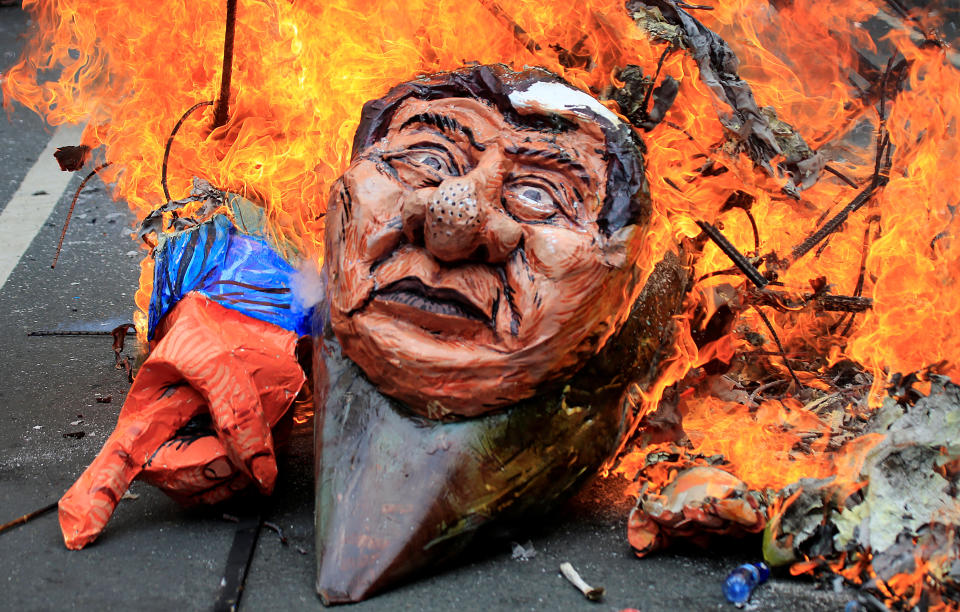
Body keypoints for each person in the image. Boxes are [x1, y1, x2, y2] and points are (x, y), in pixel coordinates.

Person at [57, 64, 689, 602]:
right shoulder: (310, 280)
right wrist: (227, 292)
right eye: (426, 160)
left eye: (539, 196)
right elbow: (239, 216)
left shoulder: (629, 345)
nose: (451, 225)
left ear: (619, 277)